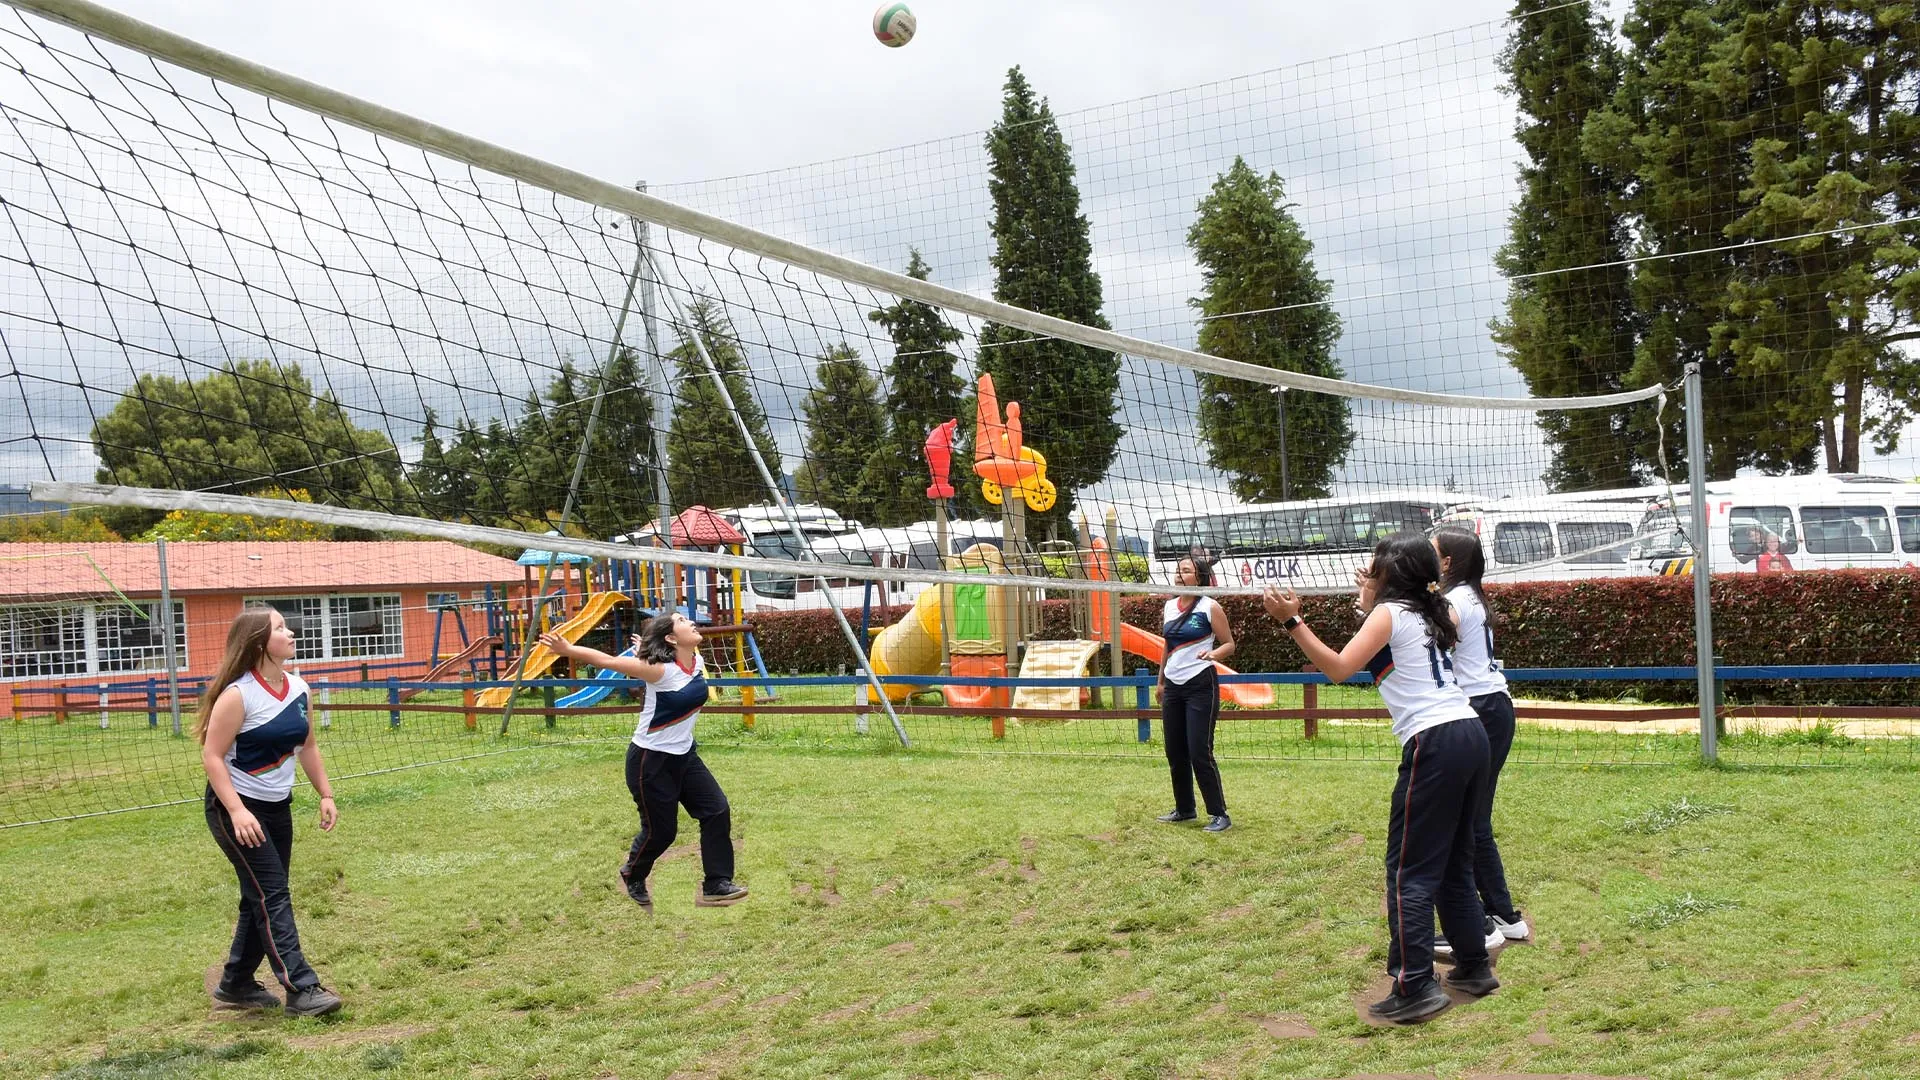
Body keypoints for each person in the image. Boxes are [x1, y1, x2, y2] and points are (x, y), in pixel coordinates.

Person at [1261, 534, 1495, 1025]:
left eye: (1370, 569)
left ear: (1392, 574)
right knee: (1454, 861)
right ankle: (1473, 965)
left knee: (1409, 871)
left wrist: (1292, 622)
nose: (1363, 576)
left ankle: (1414, 986)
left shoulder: (1389, 615)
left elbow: (1341, 670)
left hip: (1434, 741)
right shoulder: (1436, 612)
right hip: (1470, 734)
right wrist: (1370, 603)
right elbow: (1391, 650)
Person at [541, 612, 748, 910]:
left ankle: (716, 884)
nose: (690, 621)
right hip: (650, 761)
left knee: (716, 810)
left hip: (685, 756)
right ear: (671, 637)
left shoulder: (697, 662)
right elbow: (608, 662)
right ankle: (633, 873)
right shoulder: (658, 671)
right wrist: (568, 650)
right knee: (661, 832)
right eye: (681, 620)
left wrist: (645, 646)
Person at [197, 607, 343, 1017]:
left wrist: (325, 794)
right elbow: (212, 756)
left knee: (259, 895)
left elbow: (308, 747)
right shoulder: (238, 695)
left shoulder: (299, 688)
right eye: (281, 628)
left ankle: (236, 983)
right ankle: (302, 988)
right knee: (273, 893)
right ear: (261, 642)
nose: (291, 632)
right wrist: (238, 811)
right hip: (236, 809)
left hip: (278, 808)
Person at [1431, 528, 1528, 959]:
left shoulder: (1455, 601)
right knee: (1474, 820)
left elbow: (1430, 643)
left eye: (1431, 552)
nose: (1425, 556)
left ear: (1447, 562)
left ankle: (1479, 924)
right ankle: (1504, 916)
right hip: (1493, 708)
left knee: (1460, 823)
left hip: (1481, 710)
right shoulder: (1471, 595)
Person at [1155, 555, 1236, 833]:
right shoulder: (1168, 607)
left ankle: (1219, 814)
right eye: (1177, 570)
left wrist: (1212, 654)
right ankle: (1185, 809)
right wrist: (1161, 681)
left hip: (1201, 683)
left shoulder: (1209, 606)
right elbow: (1167, 647)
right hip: (1174, 687)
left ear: (1199, 577)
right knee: (1174, 750)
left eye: (1185, 570)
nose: (1179, 574)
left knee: (1199, 750)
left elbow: (1229, 644)